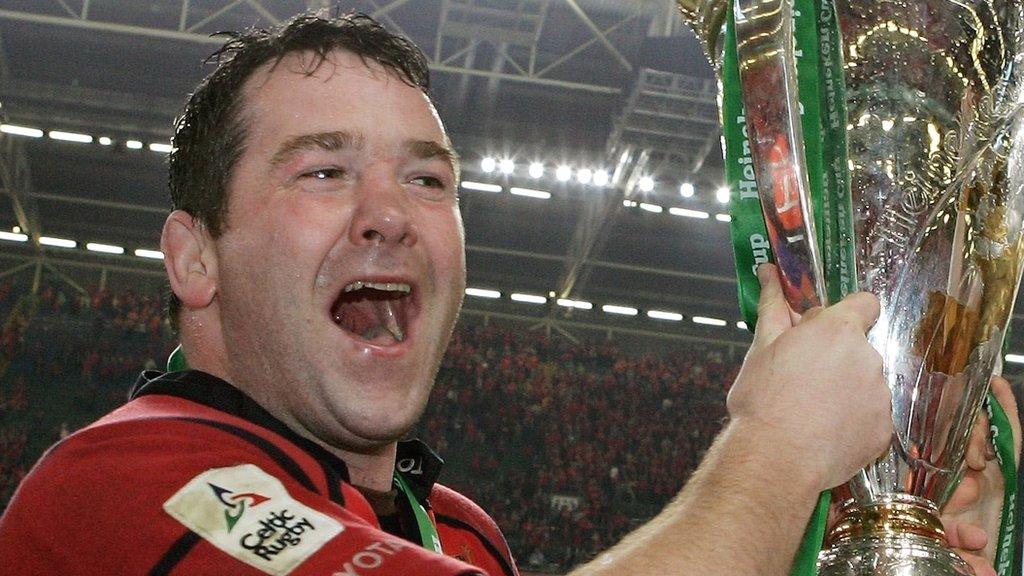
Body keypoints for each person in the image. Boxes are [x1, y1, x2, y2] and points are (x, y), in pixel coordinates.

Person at [0, 11, 1012, 576]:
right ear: (194, 258)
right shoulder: (122, 489)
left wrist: (874, 538)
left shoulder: (459, 531)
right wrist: (777, 455)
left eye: (428, 178)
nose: (388, 212)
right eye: (321, 171)